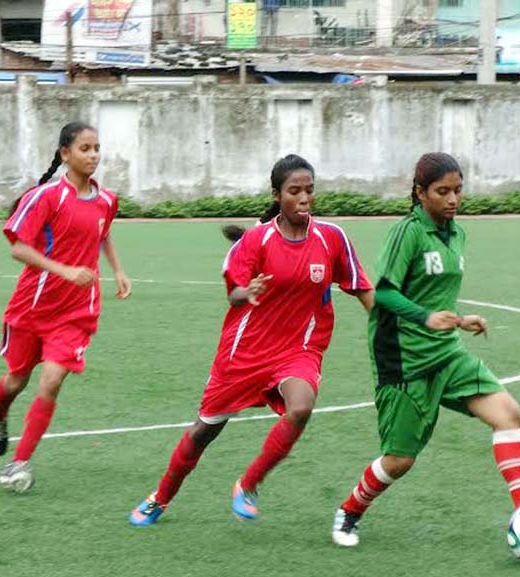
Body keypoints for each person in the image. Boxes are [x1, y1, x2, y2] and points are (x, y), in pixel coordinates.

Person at [330, 153, 520, 547]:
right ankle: (349, 512)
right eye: (442, 191)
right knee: (399, 459)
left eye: (457, 190)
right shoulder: (408, 233)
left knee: (508, 414)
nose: (452, 199)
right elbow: (382, 294)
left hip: (447, 354)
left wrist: (460, 319)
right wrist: (424, 317)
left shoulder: (457, 233)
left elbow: (436, 293)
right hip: (404, 361)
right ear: (420, 193)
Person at [129, 154, 373, 527]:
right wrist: (248, 291)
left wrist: (390, 327)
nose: (304, 198)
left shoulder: (331, 238)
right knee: (202, 433)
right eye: (295, 191)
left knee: (302, 407)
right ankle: (160, 497)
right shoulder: (256, 241)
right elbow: (234, 294)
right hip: (244, 353)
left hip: (299, 348)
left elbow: (360, 287)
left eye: (309, 190)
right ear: (277, 196)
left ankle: (249, 483)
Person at [0, 121, 132, 493]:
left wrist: (117, 270)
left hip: (76, 313)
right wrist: (64, 270)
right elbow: (17, 247)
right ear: (65, 154)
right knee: (16, 380)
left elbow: (102, 233)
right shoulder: (46, 197)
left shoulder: (107, 200)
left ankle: (19, 462)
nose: (94, 155)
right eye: (85, 148)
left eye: (97, 147)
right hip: (31, 307)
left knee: (51, 381)